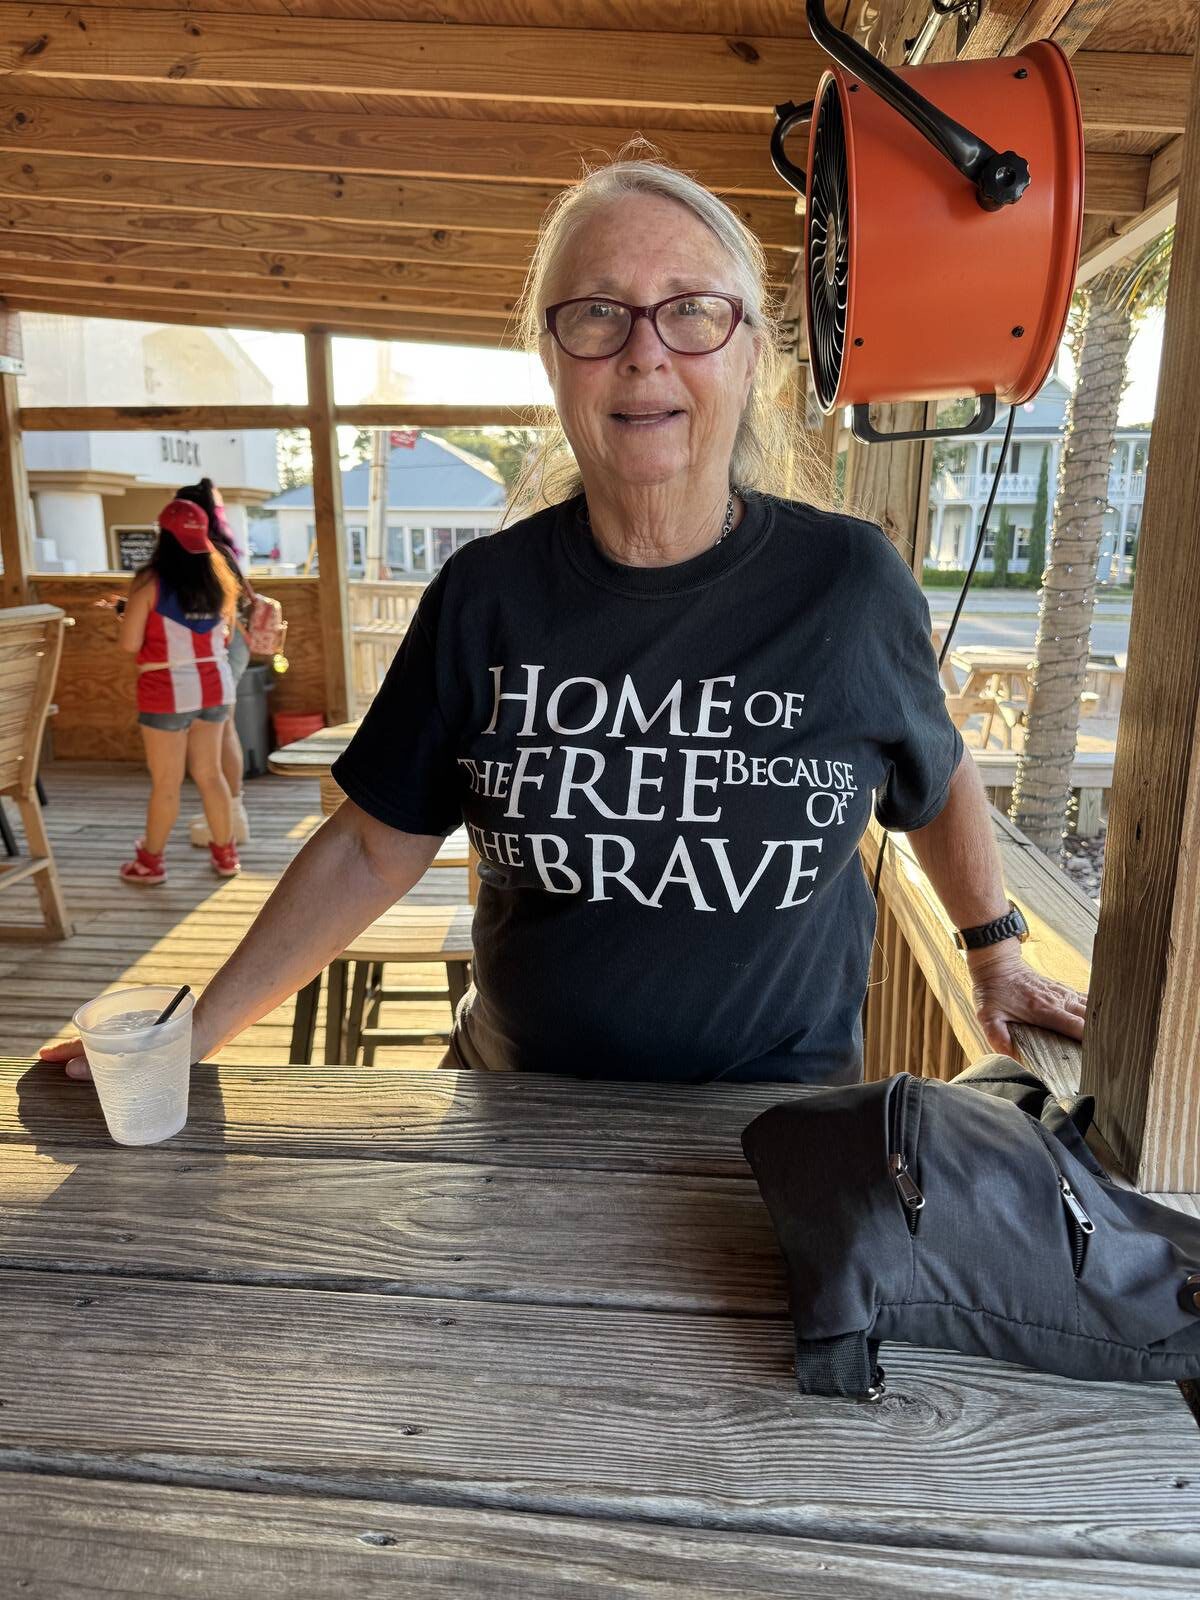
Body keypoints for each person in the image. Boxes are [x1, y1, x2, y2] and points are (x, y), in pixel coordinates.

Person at [43, 157, 1085, 1081]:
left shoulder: (848, 582)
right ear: (549, 359)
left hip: (768, 1124)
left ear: (753, 354)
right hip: (520, 1110)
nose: (645, 353)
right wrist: (191, 1030)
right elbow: (370, 845)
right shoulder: (485, 595)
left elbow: (932, 759)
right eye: (596, 313)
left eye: (691, 310)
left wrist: (992, 949)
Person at [113, 497, 242, 885]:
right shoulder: (220, 575)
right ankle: (225, 855)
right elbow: (227, 635)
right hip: (216, 686)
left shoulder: (149, 581)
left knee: (167, 782)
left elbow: (130, 643)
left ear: (163, 537)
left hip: (166, 691)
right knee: (210, 773)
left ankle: (150, 862)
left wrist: (123, 613)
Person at [174, 477, 252, 848]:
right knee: (224, 728)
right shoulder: (224, 550)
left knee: (217, 731)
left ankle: (228, 817)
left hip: (216, 647)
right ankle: (230, 813)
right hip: (232, 644)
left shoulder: (201, 554)